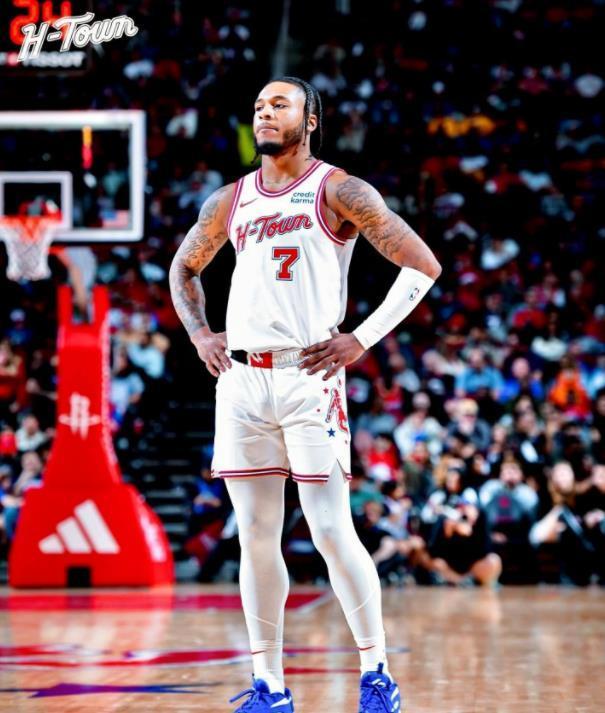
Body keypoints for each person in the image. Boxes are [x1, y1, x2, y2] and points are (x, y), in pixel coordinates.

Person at [169, 76, 441, 713]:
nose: (264, 113)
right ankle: (269, 686)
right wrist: (200, 333)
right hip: (241, 380)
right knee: (255, 536)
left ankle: (377, 673)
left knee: (330, 529)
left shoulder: (339, 189)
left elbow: (422, 265)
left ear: (310, 119)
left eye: (279, 104)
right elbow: (184, 267)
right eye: (258, 106)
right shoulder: (229, 200)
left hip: (309, 376)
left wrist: (363, 338)